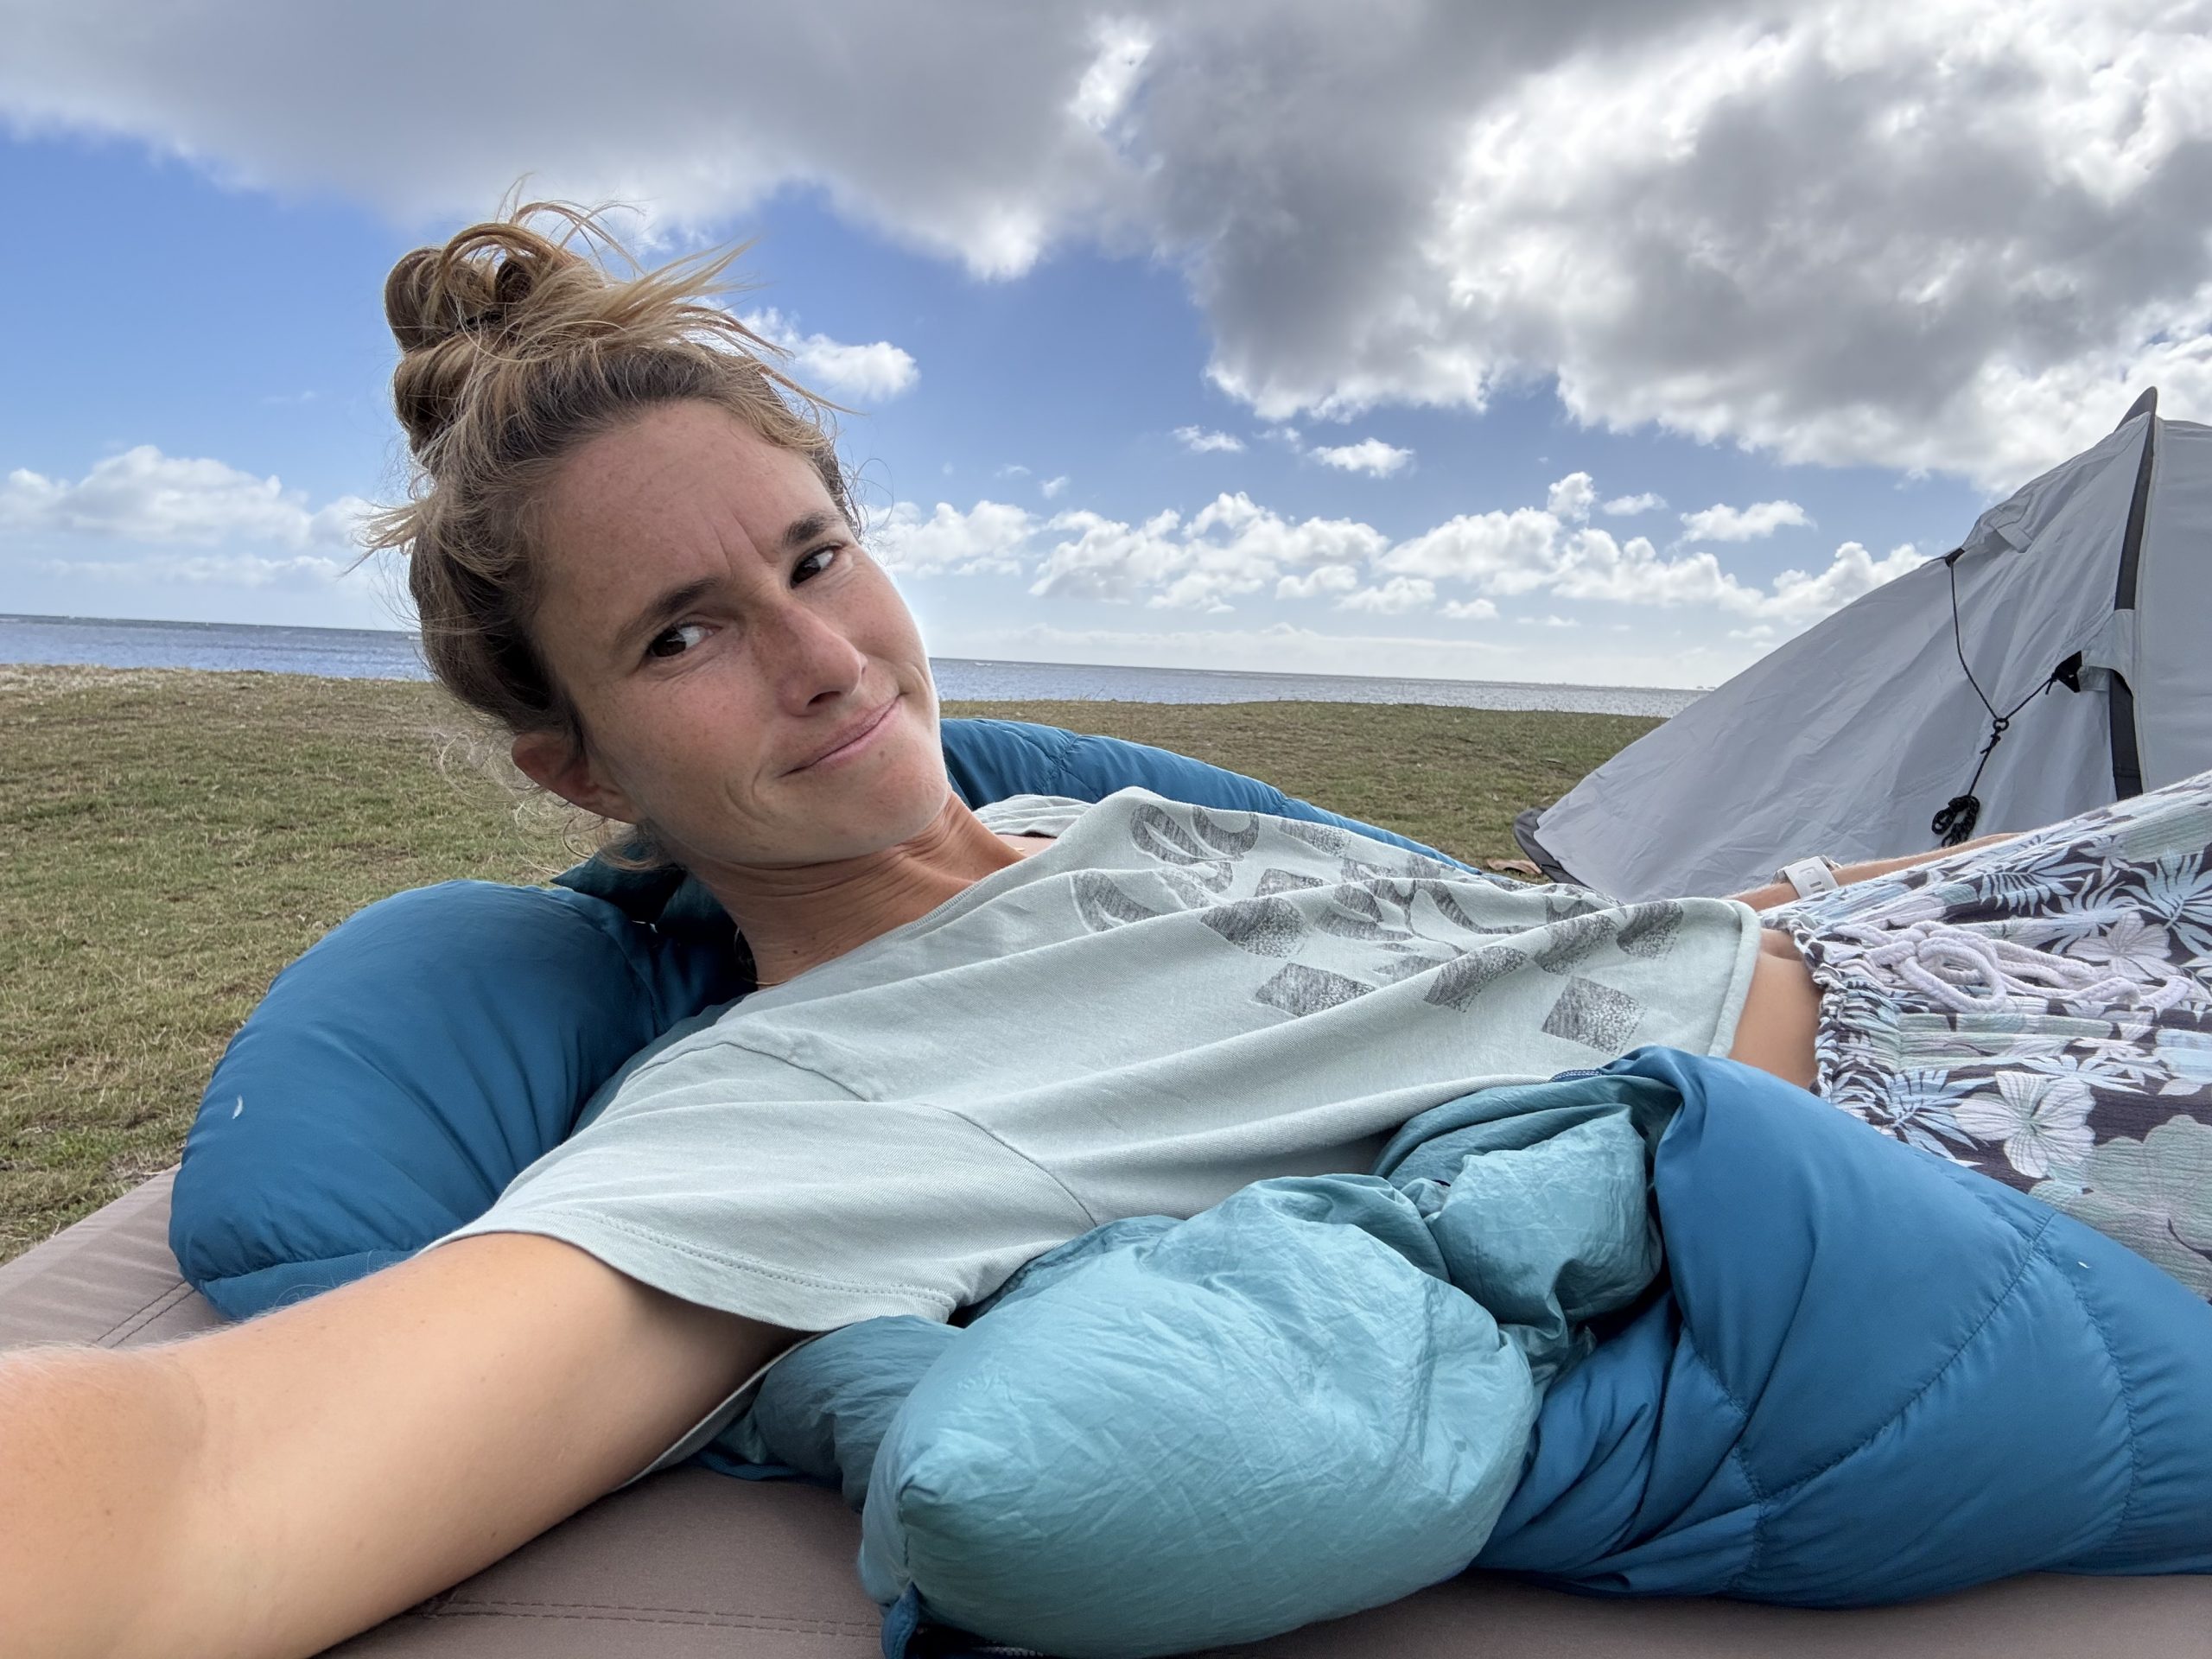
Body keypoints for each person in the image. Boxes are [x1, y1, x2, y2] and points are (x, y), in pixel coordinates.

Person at [3, 205, 2204, 1659]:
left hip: (1967, 924)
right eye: (683, 632)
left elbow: (1494, 950)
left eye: (813, 550)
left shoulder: (1096, 811)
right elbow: (211, 1483)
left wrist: (1780, 899)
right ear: (576, 767)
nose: (819, 655)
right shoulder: (802, 1108)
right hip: (1964, 1118)